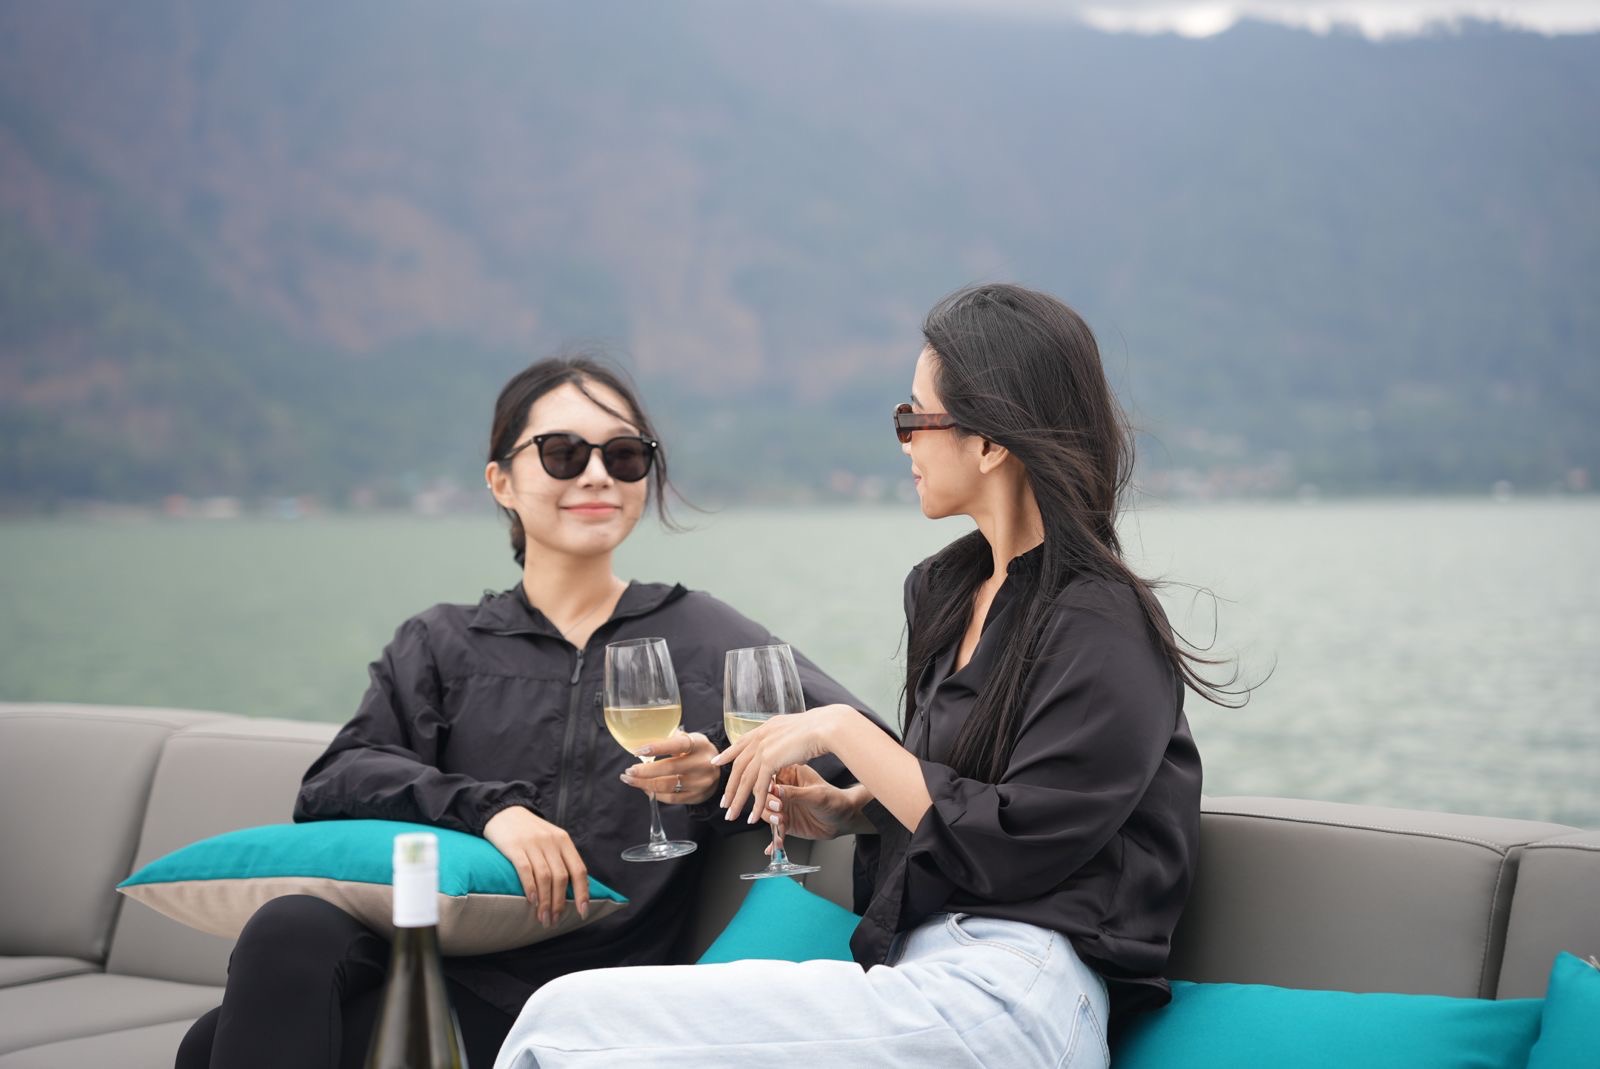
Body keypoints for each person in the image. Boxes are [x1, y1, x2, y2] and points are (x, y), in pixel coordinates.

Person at [493, 284, 1236, 1069]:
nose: (903, 442)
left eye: (914, 418)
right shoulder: (950, 592)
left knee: (560, 1021)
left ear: (989, 442)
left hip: (1016, 995)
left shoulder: (1103, 622)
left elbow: (1018, 844)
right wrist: (852, 810)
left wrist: (841, 729)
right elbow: (966, 797)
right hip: (924, 975)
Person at [175, 355, 871, 1069]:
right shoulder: (441, 643)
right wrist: (491, 811)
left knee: (210, 1048)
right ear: (501, 481)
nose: (597, 474)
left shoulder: (704, 634)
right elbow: (336, 781)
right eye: (563, 452)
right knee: (285, 930)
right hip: (428, 953)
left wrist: (719, 775)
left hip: (575, 999)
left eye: (624, 455)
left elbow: (861, 749)